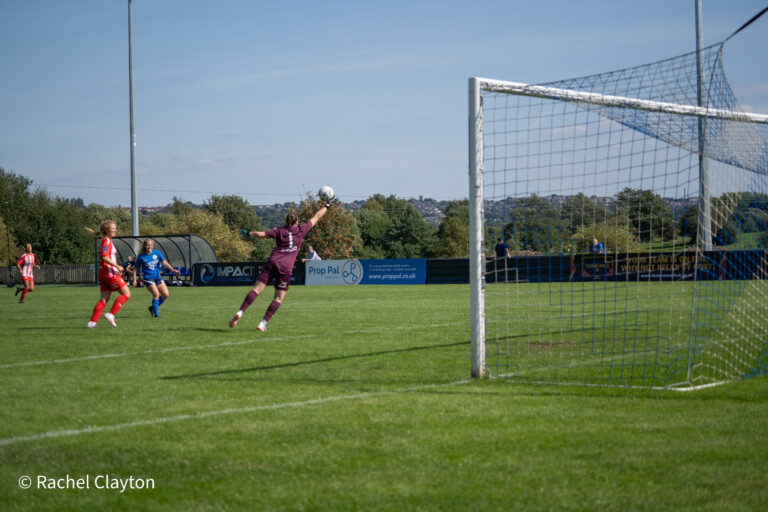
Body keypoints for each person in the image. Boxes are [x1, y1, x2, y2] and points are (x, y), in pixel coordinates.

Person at [230, 200, 333, 331]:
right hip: (285, 268)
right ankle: (262, 323)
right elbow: (317, 216)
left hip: (272, 262)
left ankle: (240, 311)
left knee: (256, 290)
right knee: (278, 298)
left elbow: (260, 234)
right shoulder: (301, 229)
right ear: (297, 222)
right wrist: (327, 206)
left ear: (286, 221)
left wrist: (248, 233)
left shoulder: (278, 231)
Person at [87, 220, 131, 328]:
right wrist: (116, 266)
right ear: (107, 230)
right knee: (126, 294)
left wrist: (117, 267)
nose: (115, 230)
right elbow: (104, 256)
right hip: (109, 273)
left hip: (104, 273)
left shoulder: (107, 240)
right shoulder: (106, 241)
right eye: (113, 228)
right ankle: (110, 314)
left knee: (104, 299)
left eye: (115, 228)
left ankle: (92, 322)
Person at [128, 238, 180, 317]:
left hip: (157, 277)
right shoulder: (141, 257)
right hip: (148, 279)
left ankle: (152, 307)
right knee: (156, 294)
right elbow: (135, 268)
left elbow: (165, 263)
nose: (150, 247)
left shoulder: (157, 253)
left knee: (166, 294)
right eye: (148, 245)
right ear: (145, 246)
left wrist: (173, 270)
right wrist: (134, 280)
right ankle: (156, 315)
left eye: (151, 245)